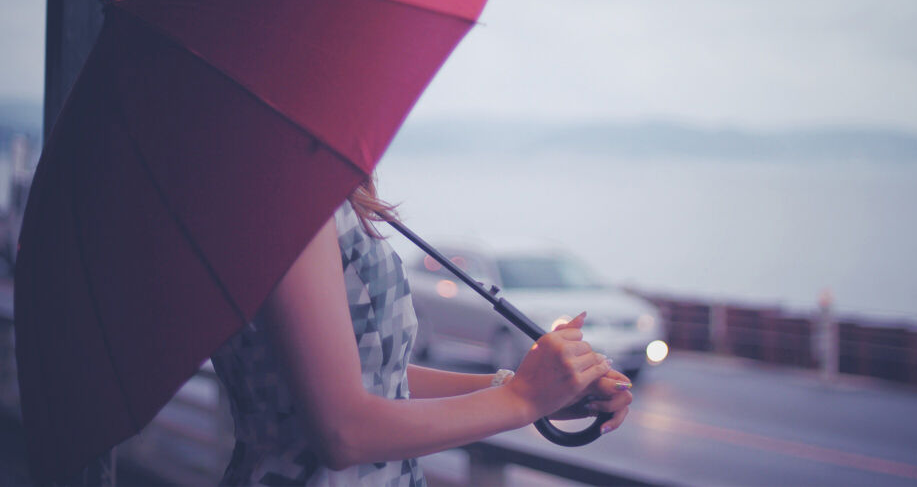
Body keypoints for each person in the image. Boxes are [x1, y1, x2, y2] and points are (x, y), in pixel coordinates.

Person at [212, 178, 633, 485]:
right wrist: (523, 399)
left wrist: (520, 387)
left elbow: (377, 376)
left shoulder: (326, 194)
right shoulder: (288, 198)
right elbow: (343, 431)